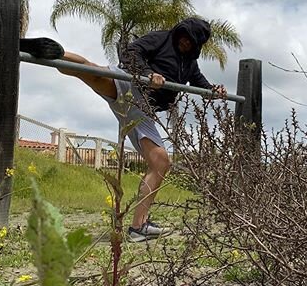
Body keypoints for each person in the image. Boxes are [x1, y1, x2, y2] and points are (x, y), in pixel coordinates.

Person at [19, 17, 226, 242]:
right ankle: (54, 54)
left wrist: (213, 90)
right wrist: (148, 73)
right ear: (179, 32)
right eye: (184, 38)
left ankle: (139, 226)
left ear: (197, 46)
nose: (185, 43)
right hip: (130, 85)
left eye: (191, 43)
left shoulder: (190, 64)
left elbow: (200, 83)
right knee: (92, 72)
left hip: (142, 109)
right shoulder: (162, 38)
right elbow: (131, 53)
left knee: (160, 162)